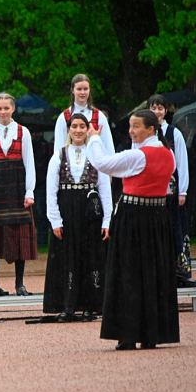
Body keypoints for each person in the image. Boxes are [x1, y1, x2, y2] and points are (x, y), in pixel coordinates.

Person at [86, 109, 179, 350]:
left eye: (136, 126)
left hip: (133, 217)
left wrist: (94, 138)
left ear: (150, 129)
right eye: (130, 126)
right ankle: (151, 333)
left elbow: (102, 163)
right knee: (153, 274)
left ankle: (127, 334)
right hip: (158, 218)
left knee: (128, 274)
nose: (131, 131)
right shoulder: (169, 154)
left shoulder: (138, 155)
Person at [44, 114, 112, 322]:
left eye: (83, 126)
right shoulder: (59, 155)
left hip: (90, 211)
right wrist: (55, 220)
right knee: (68, 257)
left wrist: (107, 220)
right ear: (69, 129)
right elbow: (50, 191)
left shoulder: (96, 155)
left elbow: (104, 188)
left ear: (88, 129)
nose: (79, 130)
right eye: (74, 126)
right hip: (67, 210)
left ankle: (91, 305)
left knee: (91, 256)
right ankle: (67, 305)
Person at [0, 93, 37, 296]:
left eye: (6, 108)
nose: (2, 112)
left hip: (17, 187)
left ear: (13, 109)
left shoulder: (24, 132)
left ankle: (19, 283)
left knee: (19, 237)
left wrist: (29, 191)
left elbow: (29, 163)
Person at [147, 94, 191, 277]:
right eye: (153, 108)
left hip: (171, 194)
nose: (157, 112)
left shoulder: (174, 133)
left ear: (166, 110)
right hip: (149, 193)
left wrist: (183, 191)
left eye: (160, 108)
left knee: (174, 230)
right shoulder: (143, 132)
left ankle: (178, 272)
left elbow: (182, 163)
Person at [54, 74, 115, 155]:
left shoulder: (99, 116)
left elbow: (108, 146)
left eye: (85, 89)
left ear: (89, 90)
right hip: (70, 164)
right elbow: (59, 148)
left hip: (94, 164)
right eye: (79, 89)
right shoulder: (64, 117)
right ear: (72, 90)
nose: (82, 92)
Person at [31, 130, 52, 246]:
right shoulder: (28, 144)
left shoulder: (45, 146)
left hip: (41, 183)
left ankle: (42, 240)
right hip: (31, 182)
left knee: (41, 214)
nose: (34, 134)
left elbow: (44, 164)